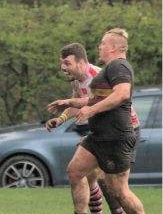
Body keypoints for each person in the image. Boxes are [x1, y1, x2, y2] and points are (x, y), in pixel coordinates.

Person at [48, 29, 145, 214]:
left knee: (115, 187)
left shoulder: (104, 72)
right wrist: (62, 116)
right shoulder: (77, 81)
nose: (63, 67)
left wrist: (89, 110)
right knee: (76, 171)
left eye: (67, 63)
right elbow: (86, 102)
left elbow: (118, 96)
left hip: (120, 132)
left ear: (81, 62)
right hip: (100, 133)